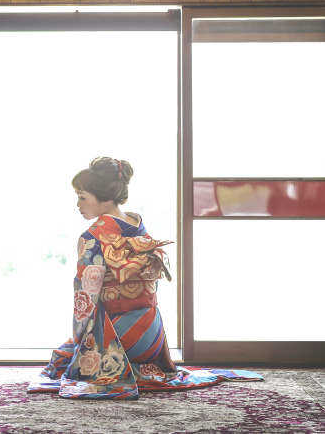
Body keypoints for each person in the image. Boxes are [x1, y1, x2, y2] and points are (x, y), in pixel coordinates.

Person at [28, 157, 262, 399]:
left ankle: (116, 361)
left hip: (122, 336)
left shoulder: (93, 237)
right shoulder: (138, 225)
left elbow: (85, 301)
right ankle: (140, 361)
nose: (78, 204)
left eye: (82, 197)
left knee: (63, 359)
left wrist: (80, 339)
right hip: (152, 334)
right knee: (70, 353)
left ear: (104, 197)